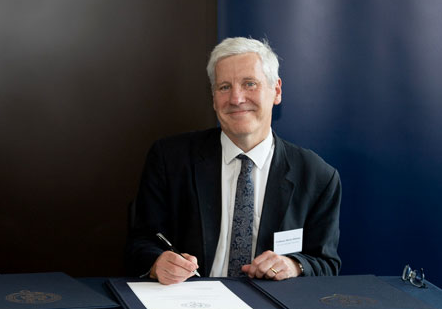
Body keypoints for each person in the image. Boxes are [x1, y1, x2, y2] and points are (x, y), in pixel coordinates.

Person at [126, 37, 340, 284]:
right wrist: (156, 263)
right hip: (189, 308)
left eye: (250, 84)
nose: (236, 99)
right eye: (224, 87)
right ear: (213, 97)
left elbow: (326, 263)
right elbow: (139, 243)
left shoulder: (317, 176)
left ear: (277, 91)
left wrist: (294, 265)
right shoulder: (169, 159)